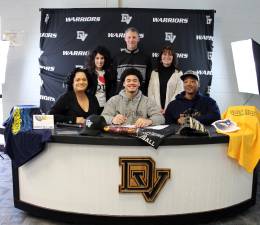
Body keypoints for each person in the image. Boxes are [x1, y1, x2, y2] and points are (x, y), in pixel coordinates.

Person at [113, 27, 151, 95]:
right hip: (121, 98)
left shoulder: (146, 58)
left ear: (138, 39)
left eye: (134, 37)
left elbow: (149, 81)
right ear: (125, 39)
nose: (131, 40)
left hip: (141, 98)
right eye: (129, 37)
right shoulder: (117, 58)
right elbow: (113, 81)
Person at [148, 45, 183, 114]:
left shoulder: (179, 73)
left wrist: (168, 108)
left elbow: (179, 92)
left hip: (172, 110)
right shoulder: (154, 72)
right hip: (156, 111)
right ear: (161, 57)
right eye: (164, 54)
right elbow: (150, 92)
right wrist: (157, 108)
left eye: (170, 54)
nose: (167, 56)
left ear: (173, 57)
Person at [87, 46, 117, 114]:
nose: (99, 61)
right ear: (93, 59)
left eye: (102, 58)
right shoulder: (88, 73)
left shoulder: (110, 73)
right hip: (91, 107)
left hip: (106, 107)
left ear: (105, 59)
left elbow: (113, 91)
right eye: (97, 58)